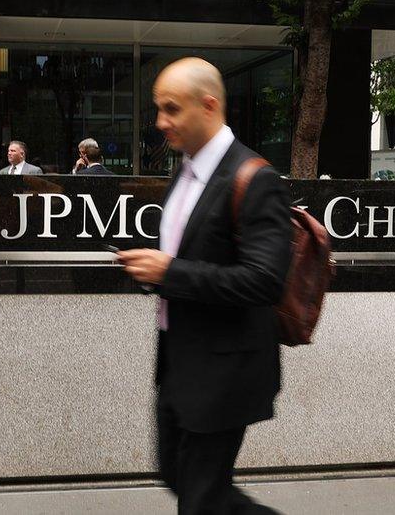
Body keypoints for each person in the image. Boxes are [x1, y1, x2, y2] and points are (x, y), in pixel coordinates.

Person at [117, 58, 291, 514]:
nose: (160, 122)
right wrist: (153, 273)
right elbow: (189, 258)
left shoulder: (255, 179)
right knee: (177, 476)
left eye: (171, 109)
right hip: (179, 363)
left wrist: (168, 273)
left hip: (225, 373)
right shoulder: (184, 171)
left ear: (209, 105)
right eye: (158, 109)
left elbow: (265, 281)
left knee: (201, 498)